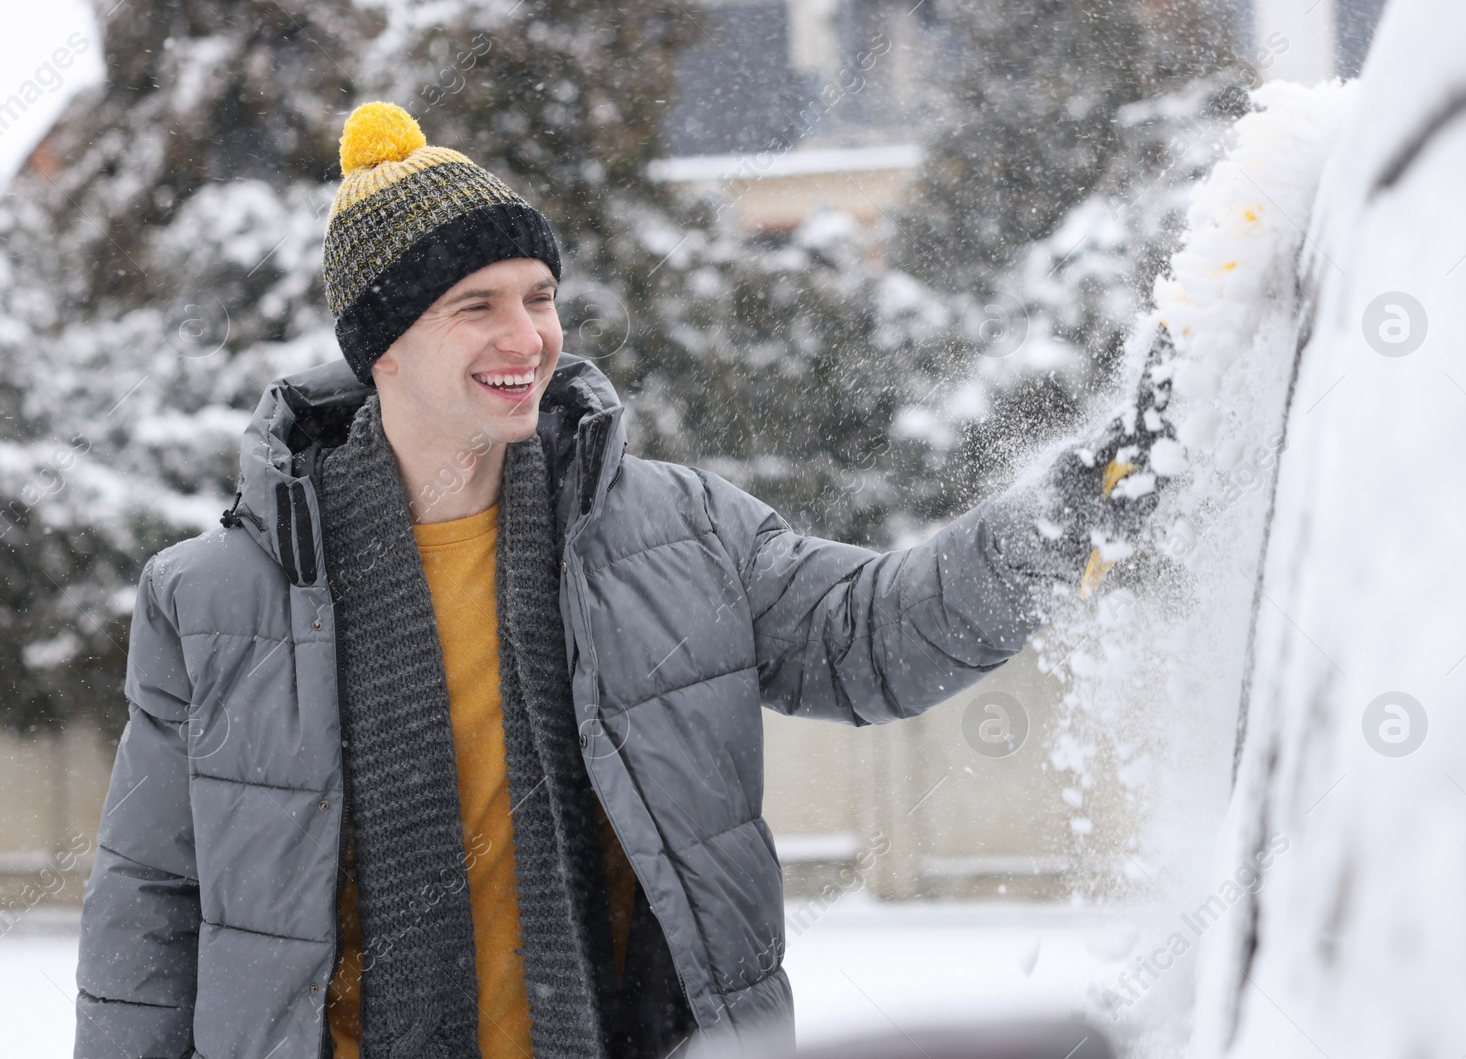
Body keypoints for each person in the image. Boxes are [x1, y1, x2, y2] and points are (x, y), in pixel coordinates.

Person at [73, 102, 1168, 1059]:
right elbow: (149, 907)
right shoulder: (215, 599)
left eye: (539, 295)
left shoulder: (675, 531)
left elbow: (870, 634)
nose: (528, 336)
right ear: (383, 348)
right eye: (477, 306)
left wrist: (1059, 514)